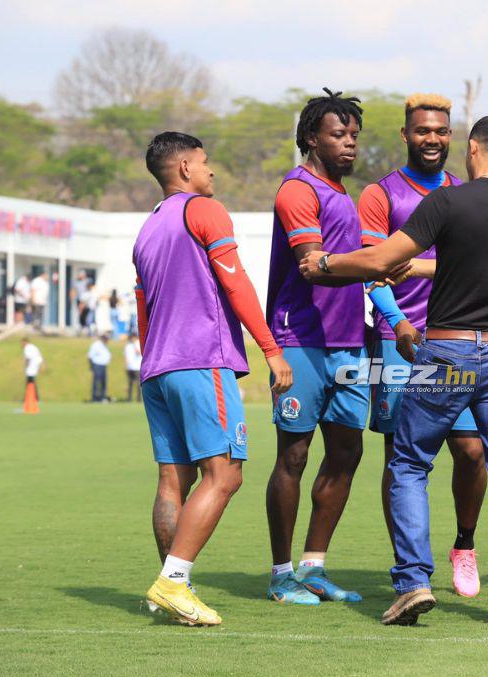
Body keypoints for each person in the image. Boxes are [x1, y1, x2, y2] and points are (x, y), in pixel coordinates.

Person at [301, 115, 488, 628]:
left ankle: (413, 582)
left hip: (449, 355)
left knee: (410, 464)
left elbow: (382, 259)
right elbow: (472, 263)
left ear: (473, 150)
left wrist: (325, 265)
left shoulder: (447, 202)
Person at [136, 131, 293, 626]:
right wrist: (272, 349)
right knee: (225, 474)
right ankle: (173, 583)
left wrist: (154, 363)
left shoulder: (147, 230)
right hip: (200, 361)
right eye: (205, 162)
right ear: (184, 167)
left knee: (172, 479)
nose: (211, 171)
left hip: (157, 369)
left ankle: (173, 591)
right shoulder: (204, 209)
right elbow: (235, 278)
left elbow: (144, 312)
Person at [358, 93, 487, 598]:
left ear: (451, 136)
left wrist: (420, 266)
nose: (431, 139)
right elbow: (372, 269)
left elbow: (476, 268)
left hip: (457, 341)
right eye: (422, 131)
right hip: (397, 341)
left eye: (441, 131)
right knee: (402, 459)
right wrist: (399, 322)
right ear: (406, 135)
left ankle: (464, 547)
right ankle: (409, 572)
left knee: (472, 452)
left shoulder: (466, 193)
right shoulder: (380, 193)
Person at [263, 89, 373, 607]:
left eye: (354, 135)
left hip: (349, 345)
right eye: (338, 135)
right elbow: (312, 263)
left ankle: (314, 567)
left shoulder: (342, 193)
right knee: (295, 454)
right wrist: (378, 262)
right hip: (301, 341)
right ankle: (281, 574)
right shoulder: (297, 190)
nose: (349, 144)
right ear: (311, 137)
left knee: (348, 450)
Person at [88, 334, 111, 402]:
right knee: (96, 382)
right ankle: (95, 397)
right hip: (97, 365)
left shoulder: (105, 346)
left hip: (103, 366)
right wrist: (91, 366)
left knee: (103, 382)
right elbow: (90, 356)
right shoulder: (96, 345)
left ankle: (102, 397)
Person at [124, 334, 142, 402]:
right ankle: (129, 398)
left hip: (137, 367)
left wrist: (135, 345)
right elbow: (125, 355)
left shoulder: (138, 344)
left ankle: (138, 399)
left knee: (138, 384)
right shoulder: (128, 346)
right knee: (130, 383)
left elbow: (138, 353)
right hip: (129, 367)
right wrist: (126, 365)